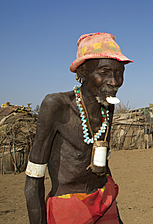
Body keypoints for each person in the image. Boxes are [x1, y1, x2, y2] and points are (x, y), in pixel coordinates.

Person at [24, 32, 133, 224]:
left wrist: (113, 207)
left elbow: (103, 164)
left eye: (119, 73)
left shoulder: (107, 106)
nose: (114, 82)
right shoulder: (56, 105)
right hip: (69, 206)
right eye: (104, 73)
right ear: (82, 72)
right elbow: (34, 178)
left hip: (103, 197)